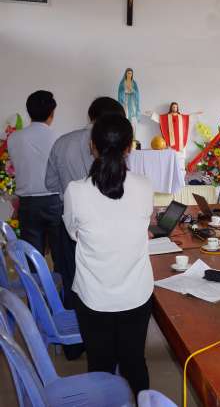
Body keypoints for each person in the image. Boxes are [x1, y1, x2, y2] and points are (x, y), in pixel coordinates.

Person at [63, 113, 154, 397]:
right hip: (136, 295)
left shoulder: (76, 191)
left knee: (100, 365)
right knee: (134, 361)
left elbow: (73, 234)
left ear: (93, 146)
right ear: (129, 147)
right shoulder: (144, 186)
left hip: (93, 297)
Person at [45, 97, 125, 310]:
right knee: (102, 280)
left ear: (91, 115)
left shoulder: (62, 141)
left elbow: (49, 182)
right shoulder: (113, 144)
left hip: (68, 222)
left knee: (70, 276)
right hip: (103, 223)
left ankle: (73, 334)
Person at [7, 90, 62, 270]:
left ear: (29, 111)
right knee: (61, 256)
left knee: (32, 258)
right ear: (51, 114)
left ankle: (35, 297)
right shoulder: (58, 139)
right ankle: (62, 297)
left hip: (28, 205)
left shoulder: (14, 138)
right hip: (55, 202)